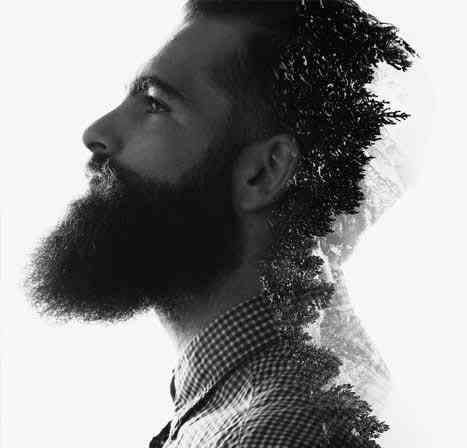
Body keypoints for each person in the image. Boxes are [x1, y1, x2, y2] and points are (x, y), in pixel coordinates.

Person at [23, 1, 415, 446]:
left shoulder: (278, 434)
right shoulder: (231, 411)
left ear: (263, 173)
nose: (96, 131)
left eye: (155, 104)